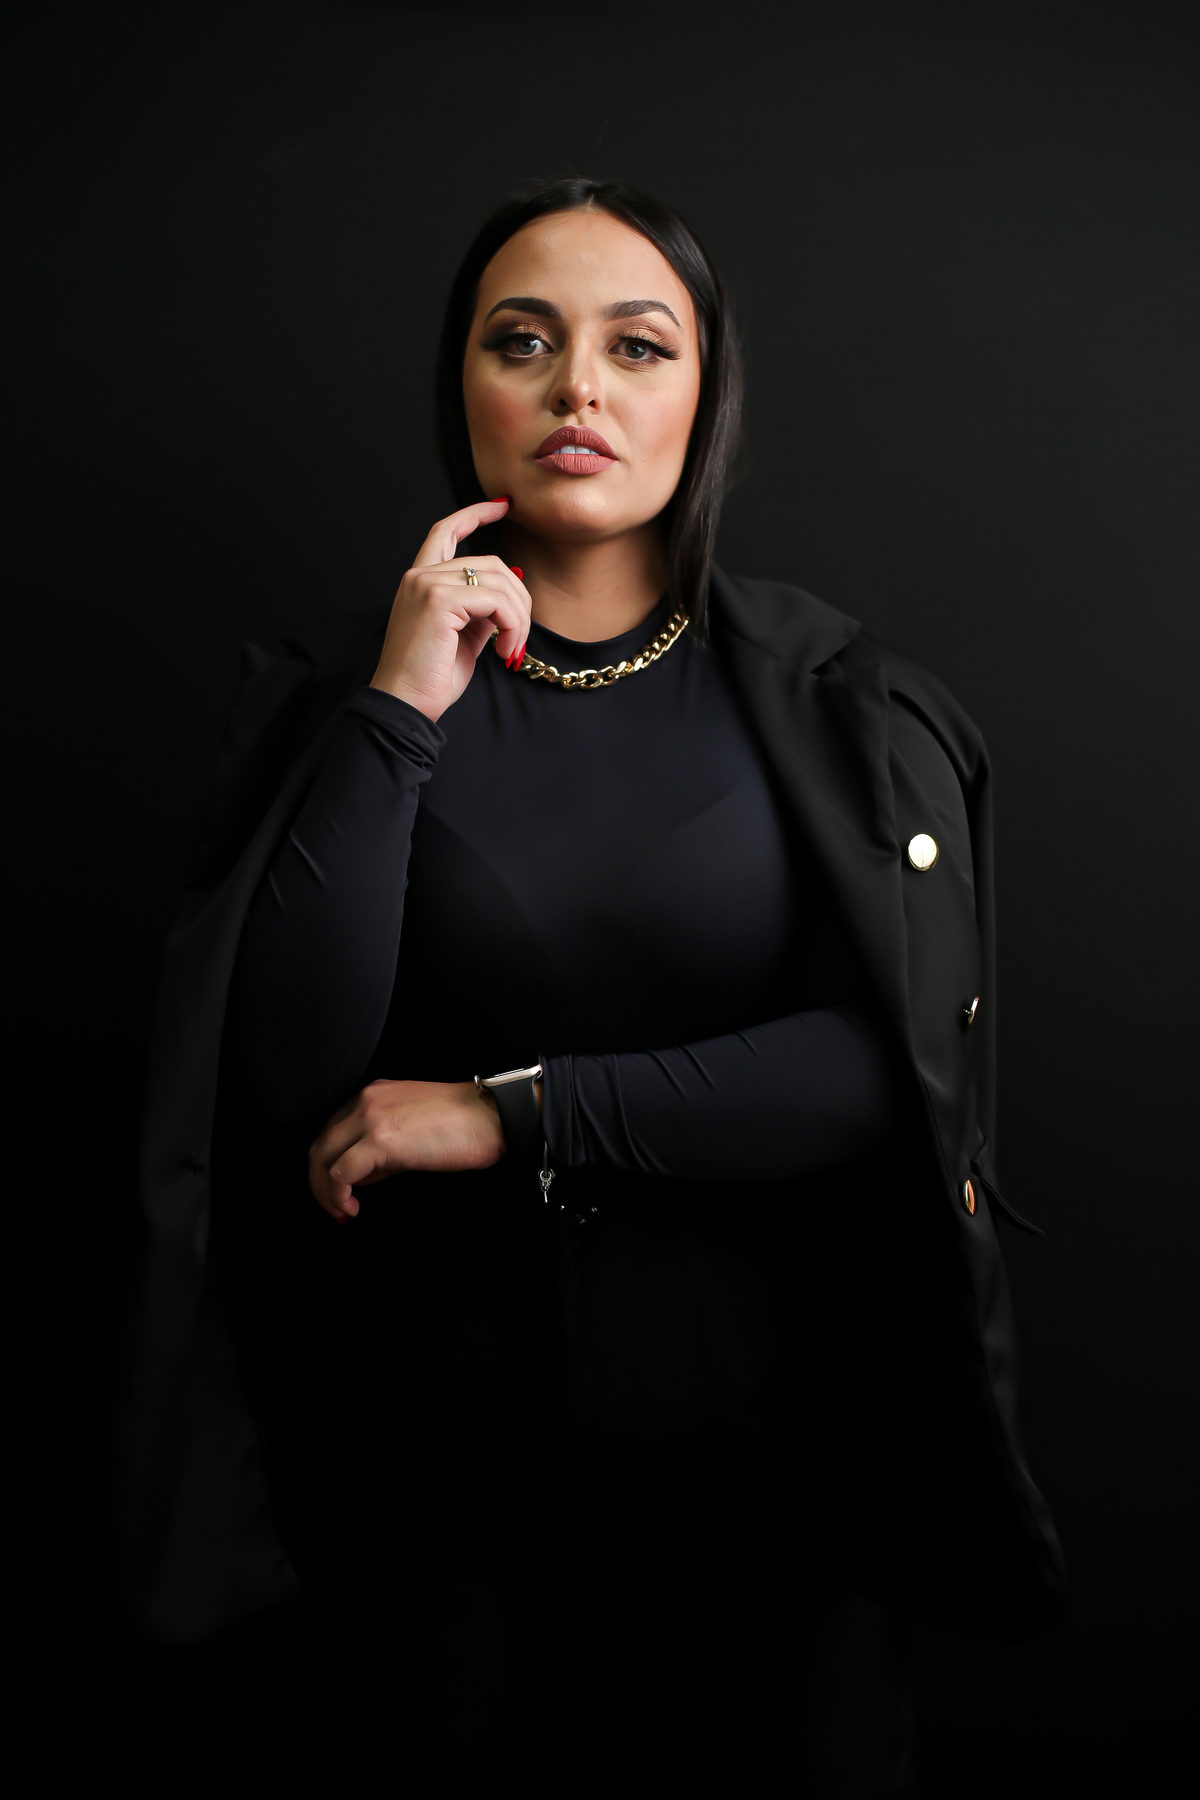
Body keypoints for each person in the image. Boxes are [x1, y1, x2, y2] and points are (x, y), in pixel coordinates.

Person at [121, 178, 1064, 1794]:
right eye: (524, 342)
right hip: (416, 1488)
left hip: (779, 1485)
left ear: (706, 394)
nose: (579, 389)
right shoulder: (328, 696)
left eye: (638, 346)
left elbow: (879, 1072)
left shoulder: (841, 707)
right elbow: (286, 1071)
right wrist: (399, 711)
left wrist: (512, 1114)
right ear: (464, 388)